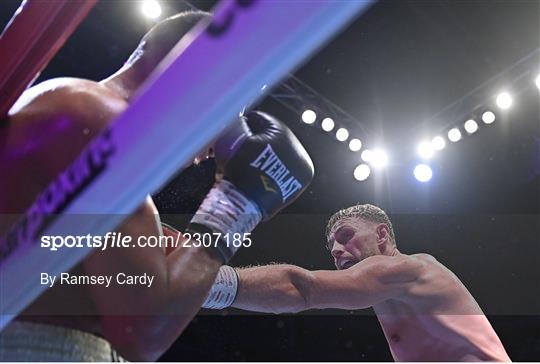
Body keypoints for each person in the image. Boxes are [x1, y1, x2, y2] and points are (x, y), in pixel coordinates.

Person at [0, 11, 314, 361]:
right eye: (230, 109)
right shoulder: (98, 122)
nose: (211, 152)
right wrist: (237, 204)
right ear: (203, 83)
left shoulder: (67, 105)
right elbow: (143, 330)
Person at [217, 204, 511, 362]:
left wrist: (212, 285)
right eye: (332, 244)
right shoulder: (388, 293)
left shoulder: (409, 269)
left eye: (345, 236)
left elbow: (302, 290)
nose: (335, 249)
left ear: (382, 235)